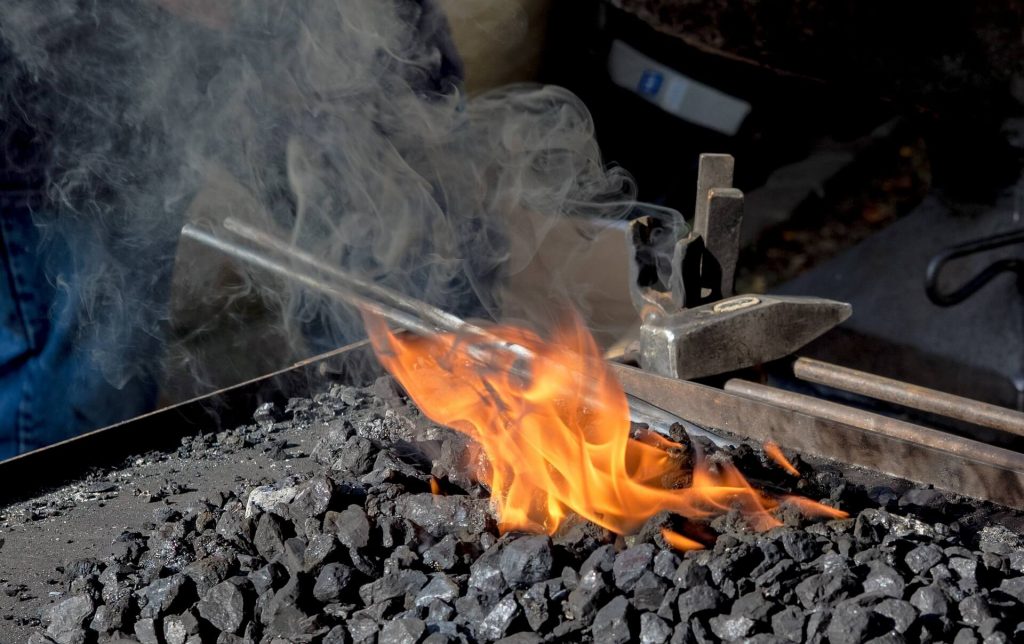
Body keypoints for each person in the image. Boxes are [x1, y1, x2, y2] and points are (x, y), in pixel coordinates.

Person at [0, 0, 465, 460]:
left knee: (376, 275)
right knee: (80, 400)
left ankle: (404, 421)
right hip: (64, 125)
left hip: (289, 55)